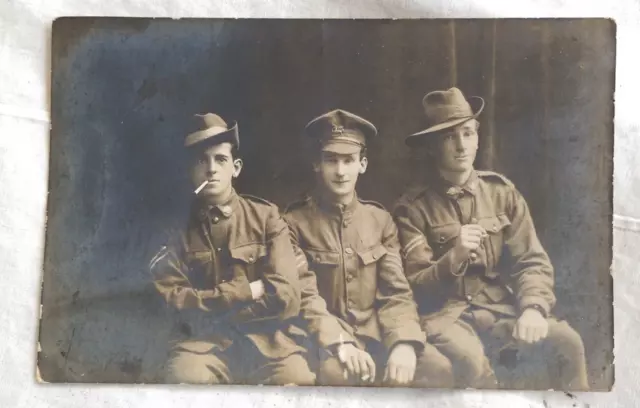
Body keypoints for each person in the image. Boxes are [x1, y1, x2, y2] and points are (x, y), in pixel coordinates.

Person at [393, 87, 589, 390]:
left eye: (468, 134)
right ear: (432, 147)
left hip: (501, 311)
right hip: (447, 318)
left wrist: (533, 307)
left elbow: (531, 261)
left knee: (567, 343)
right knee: (471, 363)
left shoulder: (502, 193)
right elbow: (414, 285)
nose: (461, 145)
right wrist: (453, 258)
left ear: (478, 137)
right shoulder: (413, 208)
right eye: (449, 137)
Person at [284, 109, 453, 387]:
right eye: (331, 160)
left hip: (378, 336)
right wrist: (342, 343)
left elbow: (396, 292)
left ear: (362, 164)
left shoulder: (380, 220)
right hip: (325, 341)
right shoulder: (293, 223)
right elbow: (305, 298)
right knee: (339, 377)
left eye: (348, 161)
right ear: (317, 164)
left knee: (436, 370)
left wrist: (403, 343)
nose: (340, 171)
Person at [149, 113, 315, 385]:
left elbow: (286, 295)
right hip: (202, 345)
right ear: (190, 171)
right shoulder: (174, 229)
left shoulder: (266, 217)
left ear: (236, 168)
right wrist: (247, 291)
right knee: (186, 378)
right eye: (202, 160)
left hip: (268, 343)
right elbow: (171, 301)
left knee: (298, 380)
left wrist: (214, 307)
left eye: (220, 159)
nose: (211, 169)